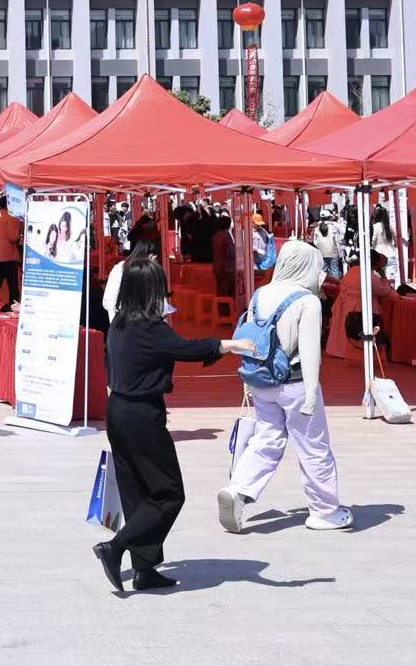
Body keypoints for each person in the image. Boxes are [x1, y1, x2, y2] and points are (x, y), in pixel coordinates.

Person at [94, 255, 253, 593]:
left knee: (138, 492)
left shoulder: (120, 323)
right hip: (141, 416)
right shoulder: (150, 329)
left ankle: (144, 568)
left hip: (118, 411)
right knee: (168, 493)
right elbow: (187, 348)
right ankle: (115, 548)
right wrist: (231, 344)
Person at [217, 241, 350, 534]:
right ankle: (324, 511)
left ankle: (238, 489)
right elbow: (310, 351)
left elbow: (250, 338)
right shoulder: (307, 301)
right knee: (313, 446)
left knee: (267, 438)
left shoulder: (260, 294)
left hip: (261, 380)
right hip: (296, 383)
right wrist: (312, 392)